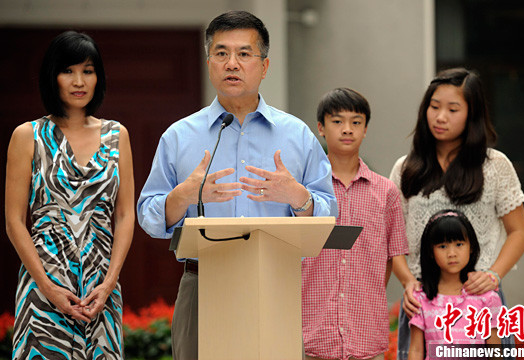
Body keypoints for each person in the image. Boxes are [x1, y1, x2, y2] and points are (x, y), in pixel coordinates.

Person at [137, 10, 337, 360]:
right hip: (203, 282)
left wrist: (299, 199)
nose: (232, 63)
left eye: (244, 53)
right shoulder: (179, 136)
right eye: (221, 53)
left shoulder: (297, 136)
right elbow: (149, 217)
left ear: (264, 65)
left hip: (276, 281)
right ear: (209, 61)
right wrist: (182, 196)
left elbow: (329, 215)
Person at [5, 31, 135, 359]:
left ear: (98, 77)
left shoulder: (117, 135)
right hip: (43, 290)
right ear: (53, 76)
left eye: (88, 70)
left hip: (99, 291)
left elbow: (125, 215)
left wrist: (108, 284)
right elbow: (14, 221)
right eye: (68, 71)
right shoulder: (27, 136)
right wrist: (48, 287)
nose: (79, 81)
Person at [389, 68, 524, 359]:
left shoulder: (494, 166)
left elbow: (520, 232)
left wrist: (493, 275)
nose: (440, 117)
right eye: (434, 106)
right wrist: (407, 281)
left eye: (453, 109)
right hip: (424, 302)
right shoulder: (406, 168)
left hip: (480, 299)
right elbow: (392, 237)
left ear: (472, 114)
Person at [302, 88, 412, 360]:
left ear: (366, 129)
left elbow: (392, 255)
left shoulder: (386, 192)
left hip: (365, 329)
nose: (347, 129)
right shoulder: (306, 190)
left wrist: (365, 292)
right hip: (312, 328)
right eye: (337, 121)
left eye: (356, 122)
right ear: (321, 128)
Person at [408, 210, 501, 360]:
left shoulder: (487, 297)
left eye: (459, 244)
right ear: (431, 252)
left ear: (471, 247)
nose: (452, 253)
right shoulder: (420, 298)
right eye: (443, 246)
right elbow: (416, 351)